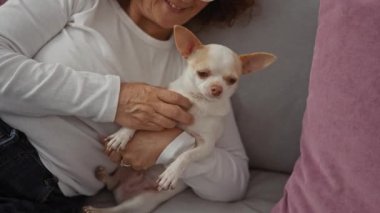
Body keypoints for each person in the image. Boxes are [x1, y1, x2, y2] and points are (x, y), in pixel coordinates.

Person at [0, 0, 255, 212]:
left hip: (51, 194)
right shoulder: (86, 3)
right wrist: (115, 99)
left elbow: (233, 183)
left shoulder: (202, 70)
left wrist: (171, 145)